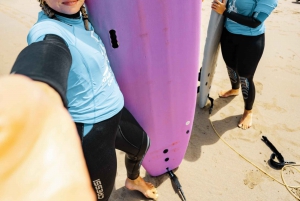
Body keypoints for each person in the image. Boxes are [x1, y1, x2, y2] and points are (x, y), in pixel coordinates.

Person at [10, 0, 159, 200]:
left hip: (117, 111)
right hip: (92, 133)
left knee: (142, 145)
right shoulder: (48, 31)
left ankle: (132, 180)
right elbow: (47, 54)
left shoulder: (88, 12)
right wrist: (34, 90)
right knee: (100, 195)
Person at [211, 0, 277, 129]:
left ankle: (248, 111)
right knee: (230, 66)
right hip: (228, 34)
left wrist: (225, 12)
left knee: (245, 76)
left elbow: (255, 22)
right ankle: (235, 89)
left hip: (250, 40)